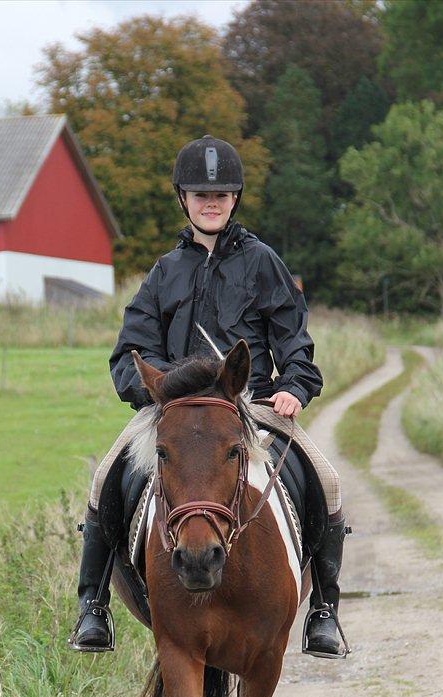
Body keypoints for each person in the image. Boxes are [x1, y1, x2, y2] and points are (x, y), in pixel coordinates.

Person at [70, 135, 349, 659]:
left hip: (254, 406)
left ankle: (325, 612)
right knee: (104, 476)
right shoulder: (163, 272)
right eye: (200, 194)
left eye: (221, 194)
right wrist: (155, 393)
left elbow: (294, 339)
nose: (211, 202)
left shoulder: (264, 262)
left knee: (328, 482)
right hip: (173, 412)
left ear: (235, 199)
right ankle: (93, 606)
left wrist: (294, 385)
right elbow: (130, 350)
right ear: (183, 199)